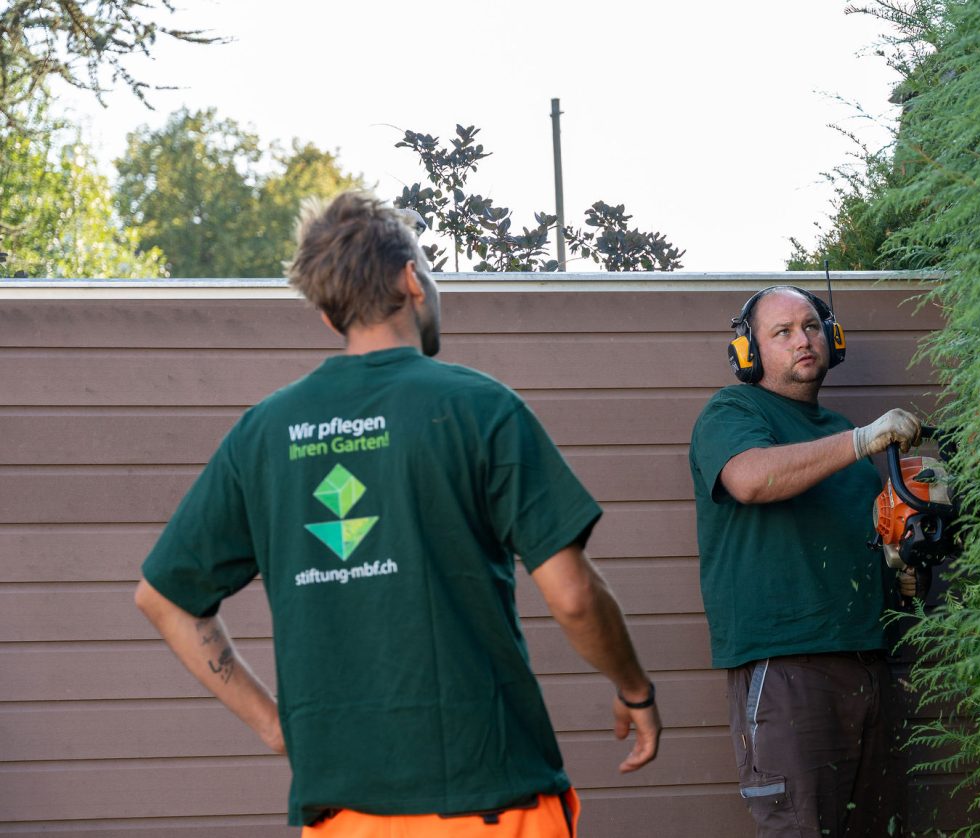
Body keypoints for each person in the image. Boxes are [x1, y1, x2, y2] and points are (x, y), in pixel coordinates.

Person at [133, 190, 661, 837]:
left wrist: (278, 729)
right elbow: (573, 595)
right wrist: (634, 688)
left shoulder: (262, 434)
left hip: (342, 814)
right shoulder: (479, 408)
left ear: (331, 317)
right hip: (487, 801)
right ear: (413, 278)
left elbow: (164, 598)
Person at [688, 284, 923, 837]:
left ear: (833, 339)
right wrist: (865, 440)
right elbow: (749, 479)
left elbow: (865, 538)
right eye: (783, 331)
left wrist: (900, 570)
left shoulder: (841, 432)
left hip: (867, 663)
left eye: (813, 327)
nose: (803, 340)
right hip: (787, 668)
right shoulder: (732, 410)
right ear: (748, 352)